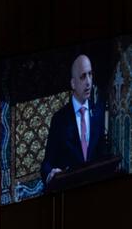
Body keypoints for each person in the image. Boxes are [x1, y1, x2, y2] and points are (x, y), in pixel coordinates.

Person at [40, 54, 106, 186]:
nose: (88, 82)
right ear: (73, 83)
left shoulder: (98, 112)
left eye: (90, 74)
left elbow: (102, 155)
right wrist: (50, 174)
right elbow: (46, 165)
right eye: (83, 76)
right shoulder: (59, 119)